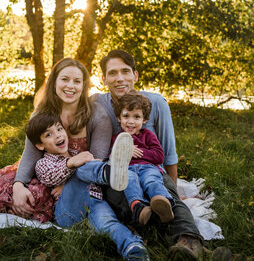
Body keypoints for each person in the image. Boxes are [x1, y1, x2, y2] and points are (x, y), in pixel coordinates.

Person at [11, 58, 150, 260]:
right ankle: (109, 171)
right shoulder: (41, 119)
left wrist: (80, 167)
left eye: (77, 81)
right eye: (65, 79)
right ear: (54, 82)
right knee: (86, 163)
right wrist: (18, 184)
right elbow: (30, 157)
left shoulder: (97, 115)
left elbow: (98, 156)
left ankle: (133, 248)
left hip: (94, 194)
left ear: (84, 85)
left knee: (107, 221)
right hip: (66, 203)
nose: (70, 86)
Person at [94, 49, 205, 259]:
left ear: (135, 75)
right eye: (112, 73)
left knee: (166, 195)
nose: (120, 79)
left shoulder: (156, 103)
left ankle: (189, 241)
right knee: (119, 198)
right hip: (119, 173)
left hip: (152, 169)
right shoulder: (96, 103)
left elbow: (168, 155)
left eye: (125, 72)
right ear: (103, 78)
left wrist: (172, 186)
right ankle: (152, 224)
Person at [75, 90, 176, 226]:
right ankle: (139, 208)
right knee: (130, 183)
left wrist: (141, 152)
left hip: (148, 168)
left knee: (151, 181)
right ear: (119, 118)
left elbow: (159, 156)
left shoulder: (148, 135)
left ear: (144, 119)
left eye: (136, 117)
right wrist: (125, 151)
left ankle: (163, 203)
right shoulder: (117, 138)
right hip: (127, 170)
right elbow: (112, 158)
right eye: (126, 116)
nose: (130, 121)